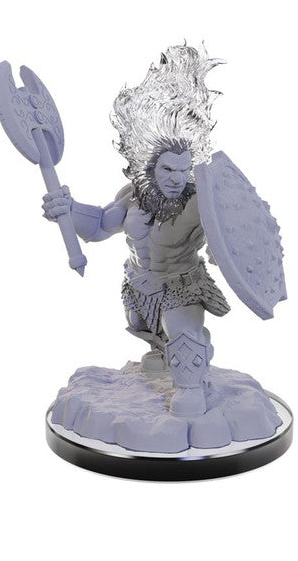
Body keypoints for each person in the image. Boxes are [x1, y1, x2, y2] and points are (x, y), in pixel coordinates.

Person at [42, 45, 229, 417]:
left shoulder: (200, 202)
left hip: (180, 285)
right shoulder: (132, 197)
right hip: (140, 284)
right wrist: (68, 209)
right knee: (142, 326)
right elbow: (99, 225)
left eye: (183, 170)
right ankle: (162, 353)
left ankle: (191, 387)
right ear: (150, 166)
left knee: (183, 333)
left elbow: (227, 231)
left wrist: (220, 251)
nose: (177, 179)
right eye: (168, 170)